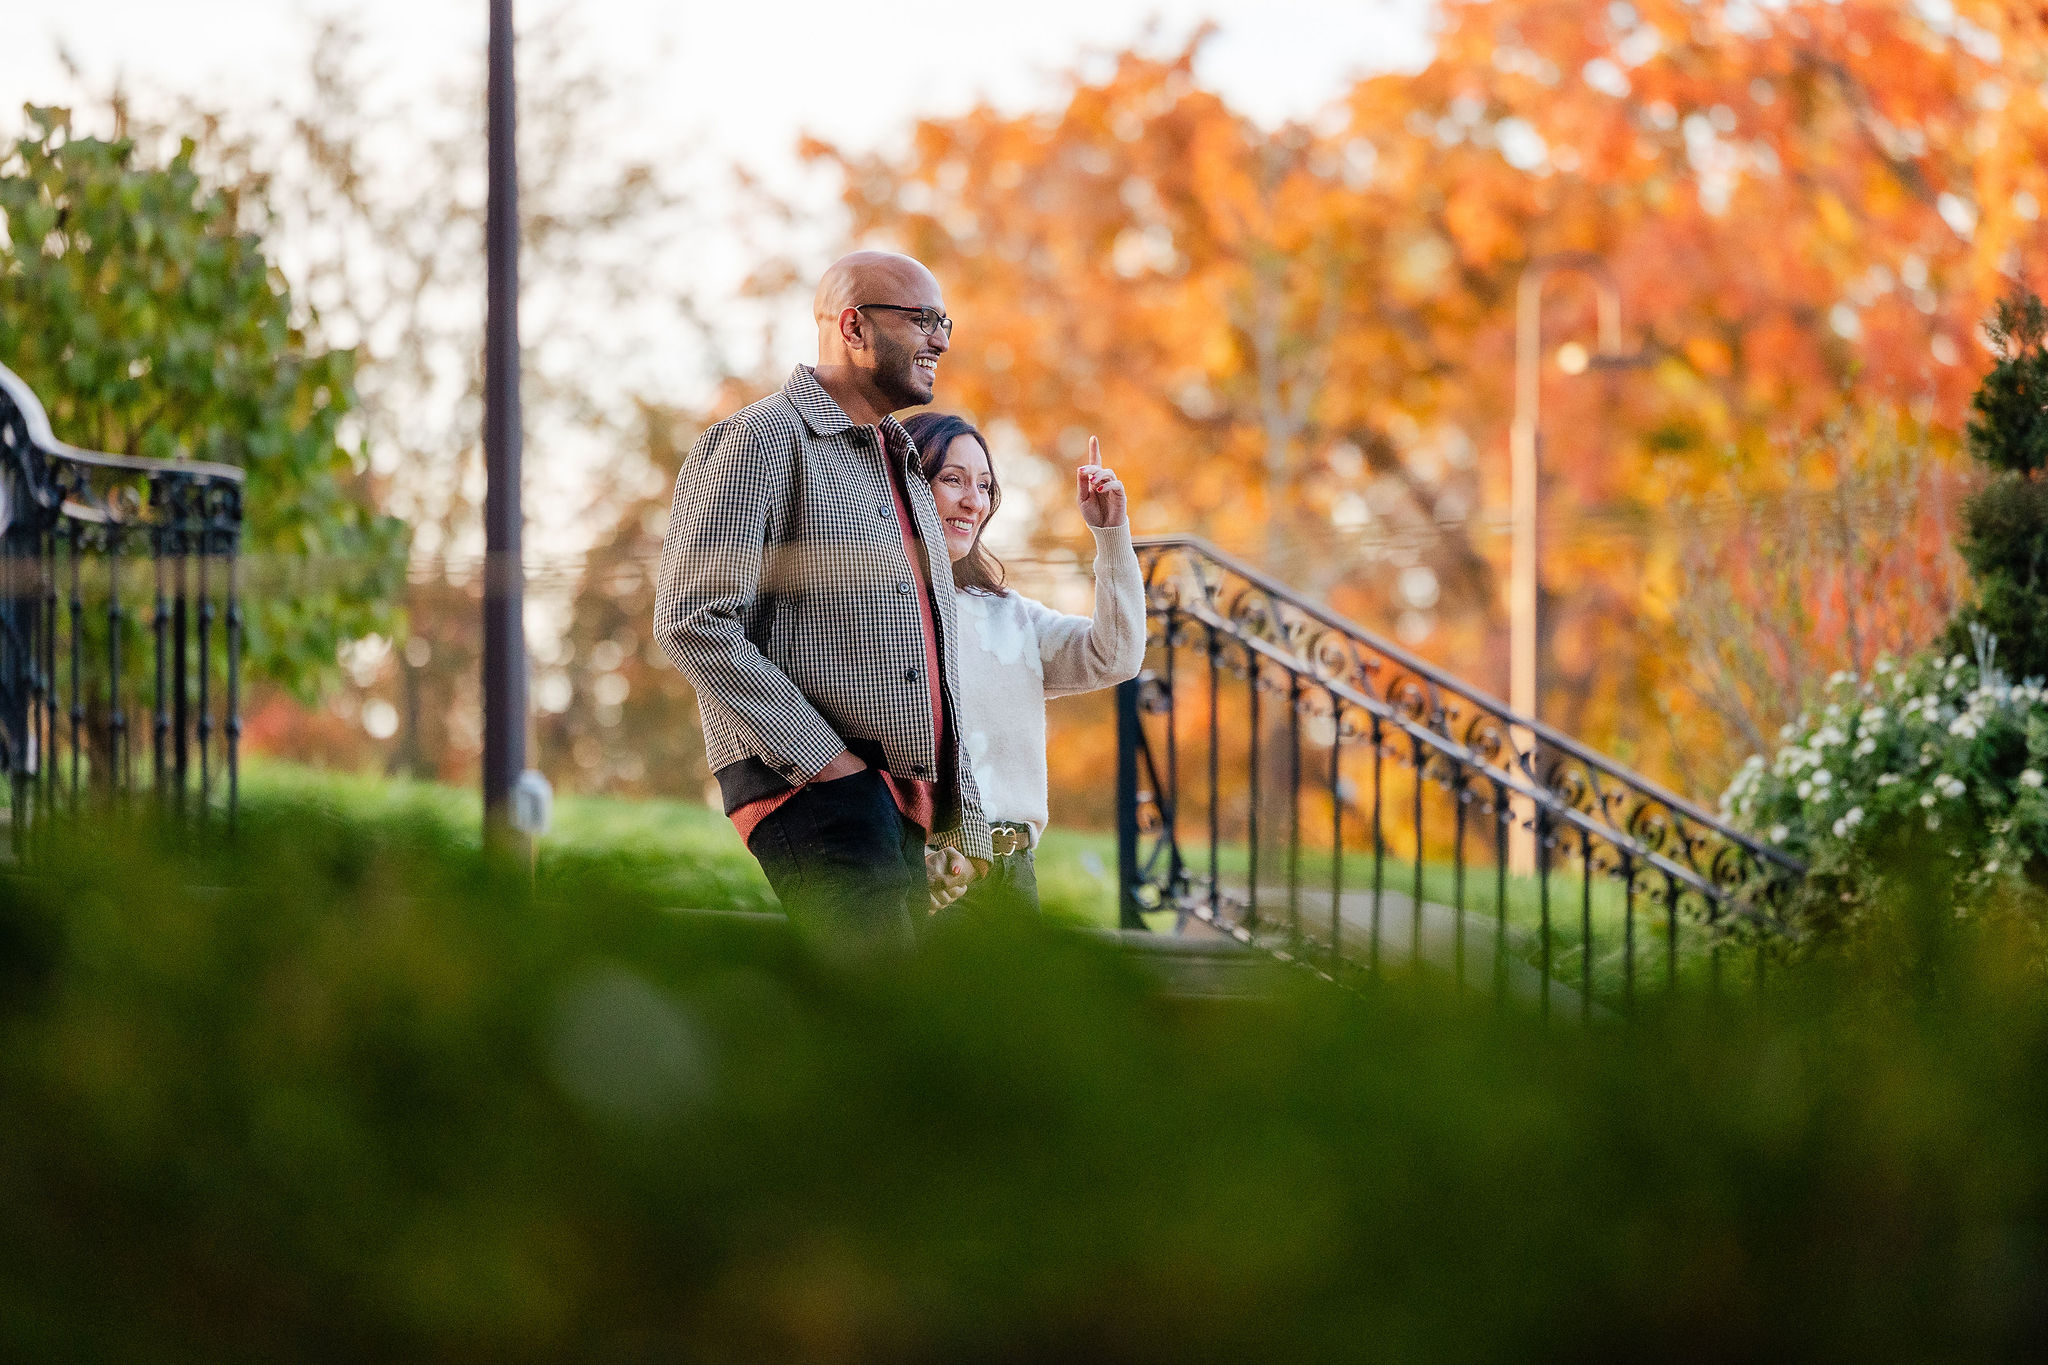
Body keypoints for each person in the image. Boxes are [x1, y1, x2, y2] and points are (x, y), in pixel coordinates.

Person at [653, 251, 991, 954]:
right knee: (882, 1025)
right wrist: (829, 765)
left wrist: (960, 819)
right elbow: (692, 619)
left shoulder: (897, 458)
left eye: (945, 321)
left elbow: (930, 655)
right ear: (854, 327)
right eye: (923, 319)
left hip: (896, 804)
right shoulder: (761, 438)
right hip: (816, 791)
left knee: (893, 1035)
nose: (942, 339)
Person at [902, 412, 1146, 916]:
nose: (974, 500)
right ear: (907, 483)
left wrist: (1111, 534)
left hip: (1014, 878)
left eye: (985, 486)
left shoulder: (1007, 615)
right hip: (928, 878)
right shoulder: (868, 611)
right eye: (952, 479)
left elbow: (1116, 655)